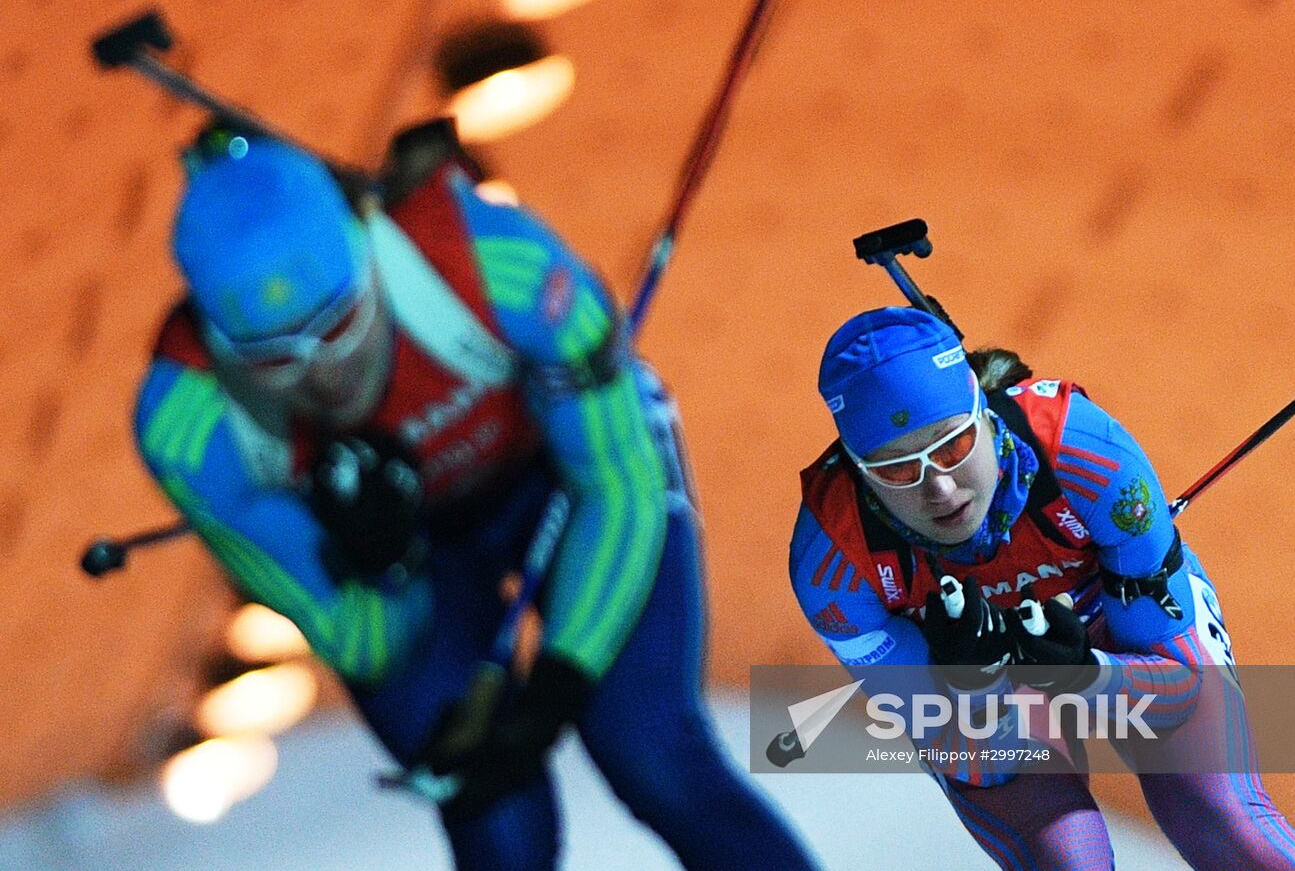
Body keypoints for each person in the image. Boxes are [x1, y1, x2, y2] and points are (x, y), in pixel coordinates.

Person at [133, 120, 819, 871]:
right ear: (218, 341)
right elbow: (353, 638)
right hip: (427, 555)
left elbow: (617, 484)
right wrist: (383, 563)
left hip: (564, 478)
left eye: (339, 327)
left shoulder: (500, 264)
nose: (322, 375)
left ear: (368, 255)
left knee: (649, 748)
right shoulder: (189, 430)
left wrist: (561, 681)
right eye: (275, 359)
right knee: (498, 821)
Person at [789, 305, 1295, 870]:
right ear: (857, 470)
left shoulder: (1089, 455)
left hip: (1120, 638)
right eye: (898, 470)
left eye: (951, 446)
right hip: (993, 705)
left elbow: (1181, 696)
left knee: (1230, 828)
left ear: (984, 413)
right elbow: (973, 762)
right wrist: (976, 688)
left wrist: (1085, 674)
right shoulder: (832, 562)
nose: (942, 488)